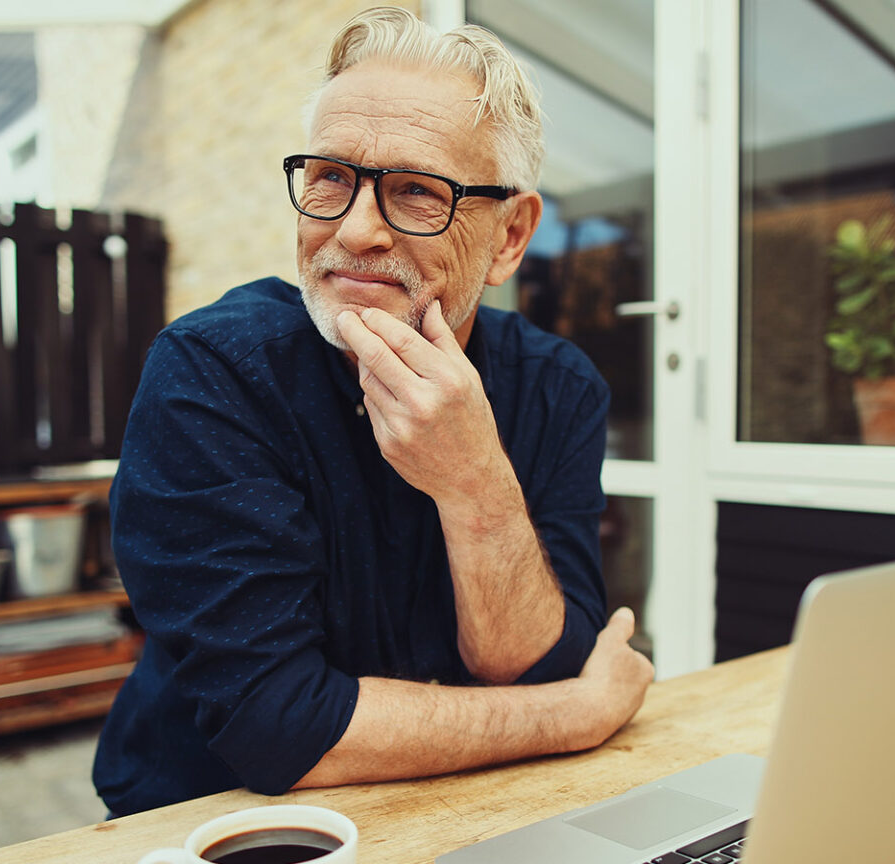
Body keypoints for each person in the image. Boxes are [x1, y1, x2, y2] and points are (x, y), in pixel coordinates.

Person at [92, 5, 654, 817]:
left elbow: (536, 662)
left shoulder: (556, 385)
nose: (355, 231)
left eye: (417, 191)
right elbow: (278, 726)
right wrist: (577, 713)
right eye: (330, 177)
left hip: (480, 806)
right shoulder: (213, 374)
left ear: (508, 236)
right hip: (221, 822)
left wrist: (475, 484)